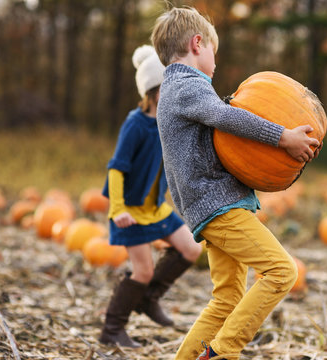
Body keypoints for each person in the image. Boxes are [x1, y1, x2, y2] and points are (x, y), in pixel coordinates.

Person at [151, 7, 322, 360]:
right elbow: (225, 116)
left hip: (211, 205)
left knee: (227, 298)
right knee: (281, 271)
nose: (215, 60)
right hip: (217, 206)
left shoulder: (177, 89)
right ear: (197, 44)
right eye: (214, 49)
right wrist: (282, 137)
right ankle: (222, 353)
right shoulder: (185, 86)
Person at [99, 44, 203, 348]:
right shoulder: (136, 125)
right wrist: (117, 209)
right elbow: (116, 169)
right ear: (157, 92)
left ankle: (148, 297)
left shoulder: (168, 123)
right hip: (128, 210)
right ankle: (112, 329)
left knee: (191, 249)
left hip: (155, 209)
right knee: (142, 270)